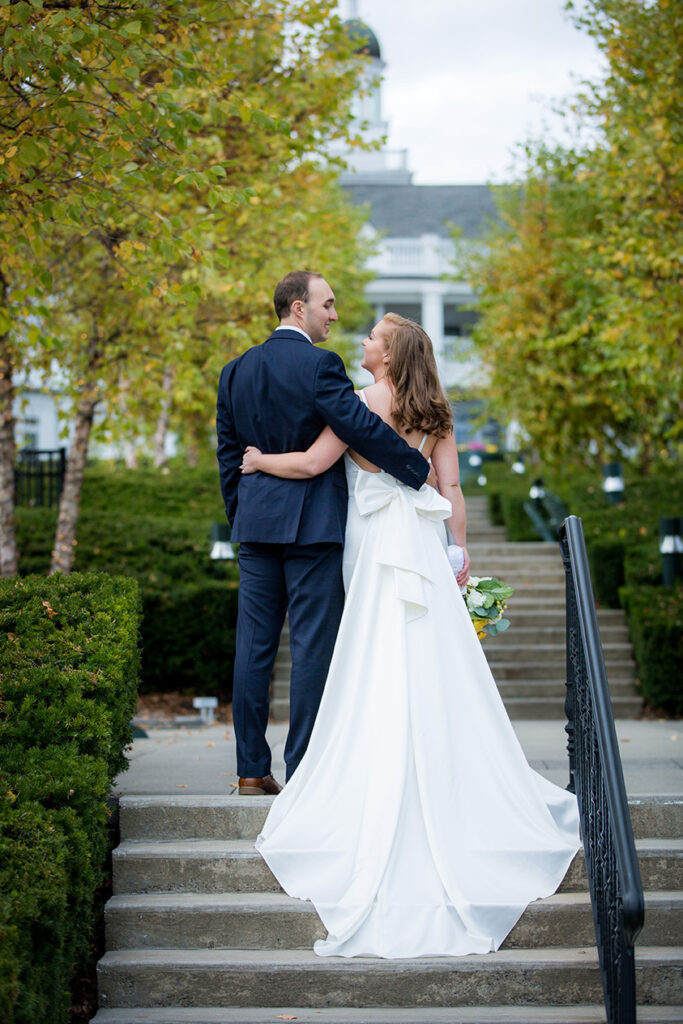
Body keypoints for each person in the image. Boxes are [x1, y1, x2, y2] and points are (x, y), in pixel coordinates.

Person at [244, 313, 581, 959]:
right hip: (422, 546)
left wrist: (260, 460)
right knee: (432, 653)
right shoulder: (435, 408)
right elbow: (448, 485)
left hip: (374, 547)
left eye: (372, 337)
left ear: (390, 353)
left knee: (372, 652)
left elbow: (316, 461)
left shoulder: (361, 400)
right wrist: (459, 553)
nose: (363, 342)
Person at [216, 274, 430, 796]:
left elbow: (228, 455)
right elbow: (358, 424)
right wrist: (413, 469)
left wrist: (240, 513)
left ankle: (249, 768)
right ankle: (305, 769)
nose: (334, 316)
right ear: (298, 308)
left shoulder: (234, 371)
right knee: (312, 646)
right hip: (313, 526)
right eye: (327, 305)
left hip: (257, 525)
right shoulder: (320, 365)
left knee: (254, 645)